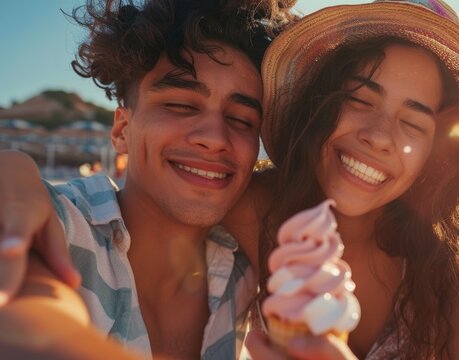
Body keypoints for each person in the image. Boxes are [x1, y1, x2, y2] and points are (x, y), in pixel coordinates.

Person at [1, 0, 459, 358]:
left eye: (243, 120)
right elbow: (32, 309)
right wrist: (15, 170)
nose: (212, 137)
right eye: (357, 99)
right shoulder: (253, 211)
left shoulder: (453, 243)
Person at [226, 0, 459, 358]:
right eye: (359, 100)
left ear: (434, 153)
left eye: (413, 123)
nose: (379, 136)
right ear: (318, 102)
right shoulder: (251, 210)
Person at [0, 0, 293, 358]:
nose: (215, 138)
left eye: (243, 120)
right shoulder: (65, 228)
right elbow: (29, 318)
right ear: (122, 129)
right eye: (181, 106)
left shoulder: (246, 267)